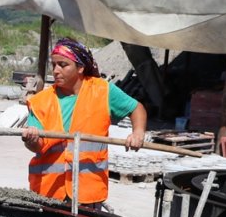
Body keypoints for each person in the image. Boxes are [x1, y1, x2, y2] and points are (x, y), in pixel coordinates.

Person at [21, 37, 147, 207]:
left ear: (80, 67)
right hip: (48, 190)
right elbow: (37, 146)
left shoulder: (102, 90)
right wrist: (32, 140)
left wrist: (138, 132)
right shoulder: (40, 101)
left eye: (63, 65)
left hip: (87, 189)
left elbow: (136, 108)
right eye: (54, 65)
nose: (56, 71)